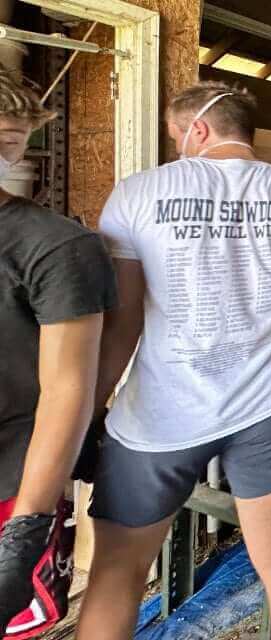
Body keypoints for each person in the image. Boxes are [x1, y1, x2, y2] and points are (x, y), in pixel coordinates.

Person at [78, 82, 271, 640]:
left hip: (159, 413)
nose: (177, 144)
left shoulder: (137, 194)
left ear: (197, 129)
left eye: (177, 135)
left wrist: (89, 406)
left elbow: (124, 320)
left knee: (119, 571)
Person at [0, 72, 116, 639]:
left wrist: (25, 528)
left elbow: (68, 389)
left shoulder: (55, 247)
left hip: (11, 484)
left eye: (7, 140)